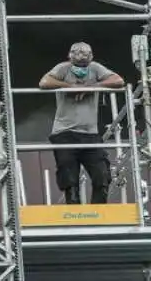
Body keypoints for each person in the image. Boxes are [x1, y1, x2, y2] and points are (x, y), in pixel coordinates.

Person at [39, 42, 125, 204]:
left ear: (91, 58)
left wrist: (91, 87)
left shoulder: (95, 68)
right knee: (69, 176)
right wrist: (70, 87)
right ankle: (74, 212)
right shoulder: (63, 68)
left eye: (84, 62)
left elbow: (118, 80)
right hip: (64, 132)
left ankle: (98, 211)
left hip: (90, 134)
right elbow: (44, 82)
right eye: (77, 62)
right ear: (69, 57)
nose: (81, 66)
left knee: (102, 175)